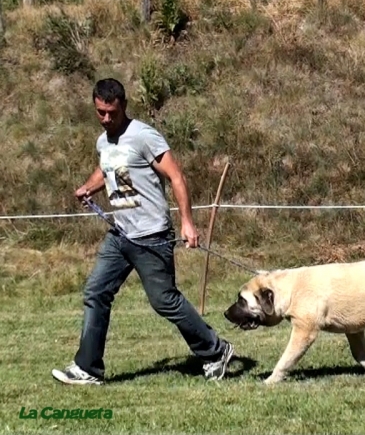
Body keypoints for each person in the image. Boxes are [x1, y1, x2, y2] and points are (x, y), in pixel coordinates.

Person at [52, 78, 234, 385]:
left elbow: (176, 177)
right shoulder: (103, 141)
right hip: (120, 235)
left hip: (152, 236)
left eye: (111, 112)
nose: (106, 118)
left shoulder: (143, 136)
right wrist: (88, 187)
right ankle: (88, 368)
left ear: (123, 105)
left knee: (164, 301)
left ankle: (216, 351)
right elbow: (108, 168)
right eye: (100, 112)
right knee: (96, 291)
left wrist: (188, 222)